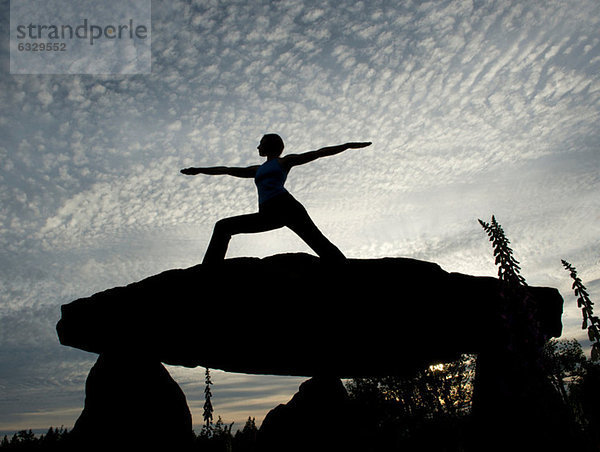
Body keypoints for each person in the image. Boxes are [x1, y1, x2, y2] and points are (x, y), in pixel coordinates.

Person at [181, 134, 371, 264]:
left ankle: (347, 271)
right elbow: (227, 170)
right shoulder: (257, 169)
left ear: (270, 145)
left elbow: (317, 153)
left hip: (287, 206)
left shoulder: (283, 161)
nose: (258, 146)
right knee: (223, 226)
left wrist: (346, 146)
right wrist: (199, 170)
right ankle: (208, 271)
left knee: (319, 243)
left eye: (261, 142)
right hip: (267, 213)